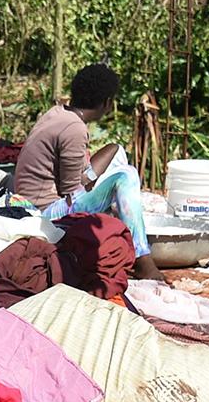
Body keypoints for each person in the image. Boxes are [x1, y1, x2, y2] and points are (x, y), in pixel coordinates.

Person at [13, 63, 163, 280]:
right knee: (127, 174)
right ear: (107, 103)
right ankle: (141, 257)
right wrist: (99, 176)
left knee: (117, 153)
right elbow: (71, 190)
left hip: (37, 200)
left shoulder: (57, 113)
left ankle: (127, 232)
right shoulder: (74, 128)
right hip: (44, 212)